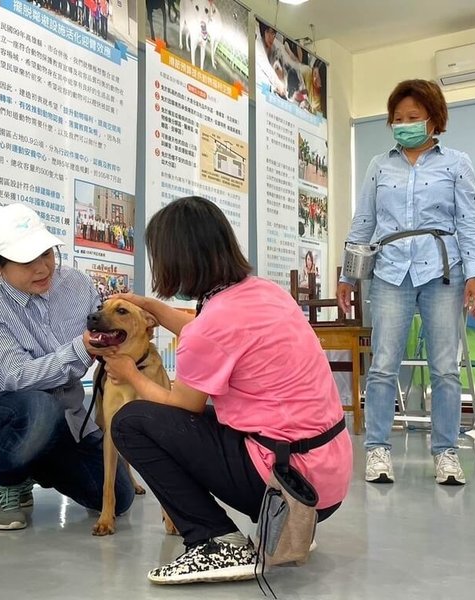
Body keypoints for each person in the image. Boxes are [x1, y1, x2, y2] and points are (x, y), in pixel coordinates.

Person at [104, 196, 353, 585]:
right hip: (328, 475)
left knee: (131, 422)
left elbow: (182, 404)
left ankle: (214, 540)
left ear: (176, 260)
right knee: (202, 419)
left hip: (286, 479)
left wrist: (128, 373)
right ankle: (286, 526)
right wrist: (148, 305)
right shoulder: (263, 292)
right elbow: (205, 329)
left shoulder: (212, 324)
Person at [337, 79, 475, 486]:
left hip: (442, 272)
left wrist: (474, 274)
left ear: (434, 120)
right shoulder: (379, 166)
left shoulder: (456, 163)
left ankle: (446, 453)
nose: (404, 125)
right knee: (383, 366)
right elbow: (364, 222)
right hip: (389, 271)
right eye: (398, 119)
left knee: (445, 368)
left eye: (413, 118)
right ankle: (378, 450)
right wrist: (347, 274)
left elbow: (468, 222)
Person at [0, 203, 134, 530]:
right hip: (4, 407)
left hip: (67, 412)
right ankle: (4, 481)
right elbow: (17, 377)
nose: (43, 268)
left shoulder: (77, 285)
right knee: (40, 408)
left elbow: (106, 331)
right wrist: (80, 348)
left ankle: (32, 460)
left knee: (118, 498)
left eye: (47, 254)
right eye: (28, 262)